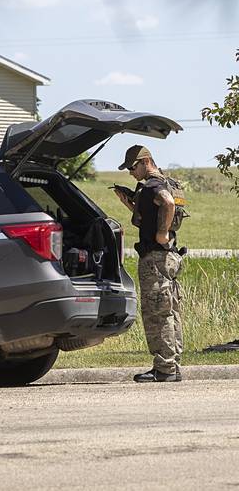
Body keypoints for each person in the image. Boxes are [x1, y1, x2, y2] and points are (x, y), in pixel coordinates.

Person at [115, 145, 184, 383]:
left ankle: (164, 369)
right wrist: (130, 204)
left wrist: (162, 233)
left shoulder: (153, 186)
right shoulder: (163, 182)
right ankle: (172, 367)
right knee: (169, 311)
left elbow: (168, 204)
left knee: (157, 313)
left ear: (146, 162)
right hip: (168, 257)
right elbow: (146, 219)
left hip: (156, 258)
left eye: (133, 167)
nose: (131, 173)